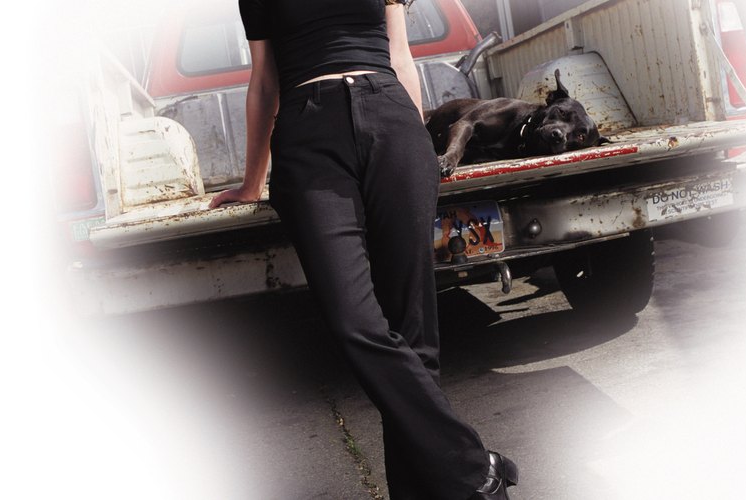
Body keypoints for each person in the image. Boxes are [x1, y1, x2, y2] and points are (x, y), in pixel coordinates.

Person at [208, 1, 518, 498]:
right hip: (309, 137)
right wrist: (252, 180)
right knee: (355, 324)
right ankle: (473, 467)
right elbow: (265, 82)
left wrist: (419, 143)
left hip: (391, 121)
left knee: (416, 337)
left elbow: (399, 55)